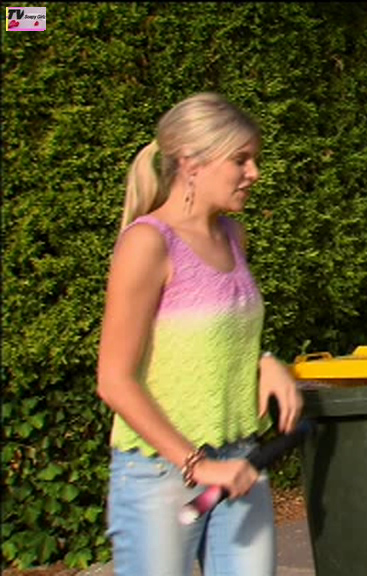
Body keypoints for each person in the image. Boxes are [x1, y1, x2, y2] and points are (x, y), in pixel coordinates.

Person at [96, 92, 303, 576]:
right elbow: (113, 380)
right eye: (240, 160)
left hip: (239, 461)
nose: (254, 173)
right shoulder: (148, 243)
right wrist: (197, 464)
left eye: (254, 159)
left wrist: (265, 362)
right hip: (160, 473)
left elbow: (211, 339)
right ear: (191, 162)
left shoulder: (232, 235)